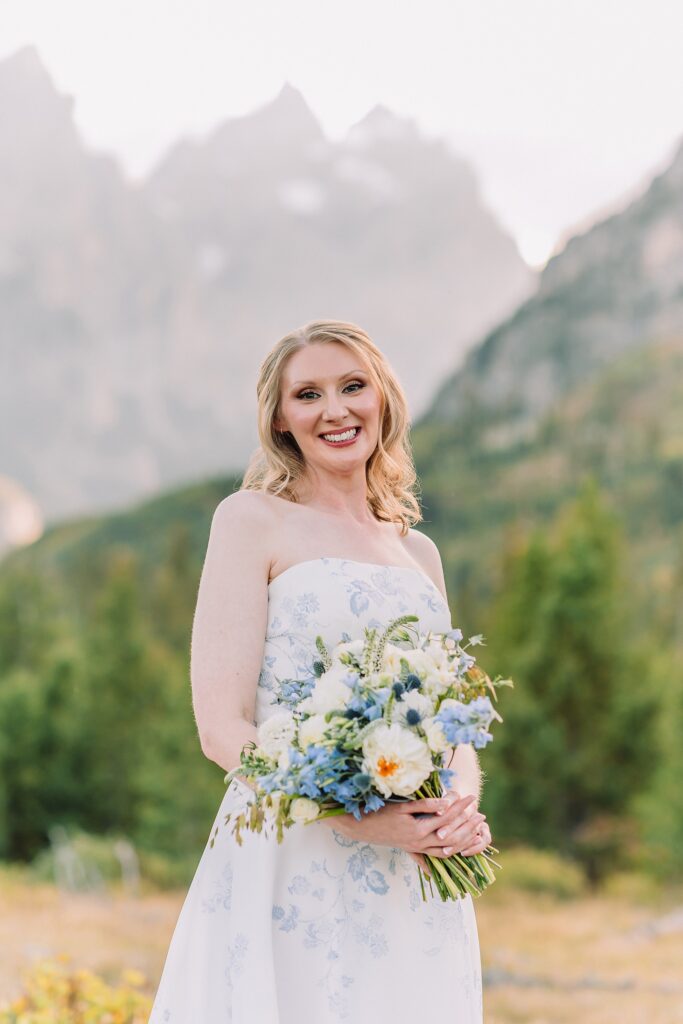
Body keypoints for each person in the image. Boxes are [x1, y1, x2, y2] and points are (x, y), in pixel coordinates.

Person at [149, 319, 491, 1023]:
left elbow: (450, 722)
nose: (334, 409)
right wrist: (357, 819)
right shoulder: (252, 520)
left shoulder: (418, 554)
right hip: (294, 855)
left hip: (415, 872)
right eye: (307, 393)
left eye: (351, 386)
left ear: (383, 400)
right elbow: (222, 729)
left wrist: (455, 812)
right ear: (280, 419)